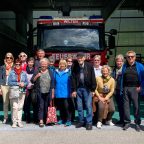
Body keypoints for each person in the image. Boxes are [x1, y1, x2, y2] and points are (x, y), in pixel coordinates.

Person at [71, 52, 96, 130]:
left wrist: (93, 89)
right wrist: (74, 90)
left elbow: (93, 78)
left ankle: (89, 123)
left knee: (88, 106)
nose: (80, 59)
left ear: (84, 58)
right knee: (79, 106)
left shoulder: (89, 65)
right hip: (78, 89)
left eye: (81, 58)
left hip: (87, 89)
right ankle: (81, 121)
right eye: (78, 58)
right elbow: (73, 79)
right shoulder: (74, 66)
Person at [120, 50, 144, 132]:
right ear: (126, 58)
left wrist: (141, 86)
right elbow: (122, 77)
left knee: (136, 107)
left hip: (135, 89)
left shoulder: (140, 66)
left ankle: (137, 123)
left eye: (132, 56)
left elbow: (143, 78)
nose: (130, 58)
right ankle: (127, 122)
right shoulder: (124, 66)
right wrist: (122, 88)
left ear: (135, 57)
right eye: (128, 57)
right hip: (126, 88)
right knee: (126, 107)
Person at [31, 58, 54, 127]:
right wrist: (37, 76)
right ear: (40, 64)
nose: (44, 65)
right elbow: (32, 81)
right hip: (40, 92)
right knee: (41, 106)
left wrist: (52, 93)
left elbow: (52, 83)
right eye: (42, 64)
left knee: (47, 106)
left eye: (45, 64)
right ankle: (41, 120)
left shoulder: (50, 71)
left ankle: (47, 120)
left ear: (47, 65)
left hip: (48, 92)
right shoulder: (37, 71)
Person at [8, 58, 28, 128]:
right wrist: (18, 83)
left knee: (20, 107)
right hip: (14, 91)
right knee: (15, 107)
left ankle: (19, 121)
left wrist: (24, 84)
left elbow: (27, 82)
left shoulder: (24, 72)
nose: (18, 65)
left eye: (19, 64)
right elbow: (9, 82)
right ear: (14, 64)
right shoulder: (11, 72)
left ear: (21, 65)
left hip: (22, 91)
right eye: (16, 64)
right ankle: (14, 122)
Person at [54, 59, 72, 126]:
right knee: (60, 107)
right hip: (58, 92)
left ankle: (68, 120)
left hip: (66, 92)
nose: (62, 65)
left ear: (65, 65)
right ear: (59, 65)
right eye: (61, 64)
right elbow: (54, 82)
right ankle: (61, 119)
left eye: (63, 64)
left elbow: (71, 83)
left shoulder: (68, 72)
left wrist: (71, 91)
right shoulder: (55, 72)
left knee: (67, 107)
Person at [0, 52, 14, 124]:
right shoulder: (2, 67)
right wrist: (0, 88)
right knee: (5, 103)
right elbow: (1, 78)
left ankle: (12, 118)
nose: (9, 59)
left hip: (12, 86)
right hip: (4, 86)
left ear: (12, 59)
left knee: (12, 103)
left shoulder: (14, 66)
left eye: (10, 57)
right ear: (5, 58)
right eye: (7, 57)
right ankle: (5, 118)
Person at [112, 54, 124, 125]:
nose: (119, 62)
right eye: (117, 61)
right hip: (116, 90)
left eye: (120, 61)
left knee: (124, 105)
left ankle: (125, 120)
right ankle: (121, 119)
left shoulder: (125, 69)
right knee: (119, 105)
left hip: (122, 90)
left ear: (123, 62)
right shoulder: (114, 69)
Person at [24, 57, 35, 123]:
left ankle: (35, 118)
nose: (30, 63)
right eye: (29, 62)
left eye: (32, 62)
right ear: (27, 63)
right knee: (26, 105)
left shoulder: (36, 70)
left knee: (34, 104)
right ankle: (27, 118)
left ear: (33, 63)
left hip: (33, 89)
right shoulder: (24, 70)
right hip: (26, 89)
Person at [92, 55, 102, 124]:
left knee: (100, 105)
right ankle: (94, 119)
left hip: (101, 91)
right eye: (95, 60)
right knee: (93, 105)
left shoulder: (103, 68)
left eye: (98, 60)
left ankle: (101, 119)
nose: (96, 62)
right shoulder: (91, 69)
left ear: (100, 61)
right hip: (93, 90)